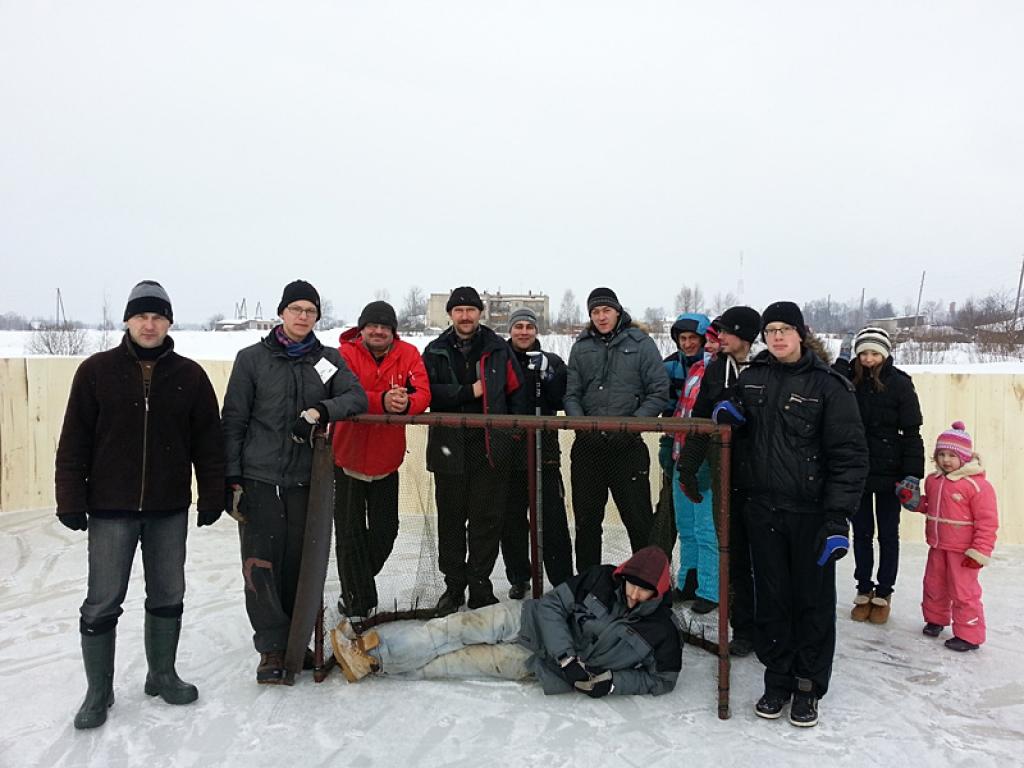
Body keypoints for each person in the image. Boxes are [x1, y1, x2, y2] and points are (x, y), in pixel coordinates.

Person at [55, 280, 225, 729]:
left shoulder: (189, 376)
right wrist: (70, 498)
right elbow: (73, 442)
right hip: (110, 508)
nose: (150, 325)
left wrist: (212, 494)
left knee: (169, 593)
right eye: (141, 316)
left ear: (169, 321)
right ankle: (99, 690)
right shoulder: (95, 371)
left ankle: (162, 674)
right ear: (127, 321)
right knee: (102, 599)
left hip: (168, 509)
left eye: (158, 317)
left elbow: (209, 442)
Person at [727, 301, 867, 727]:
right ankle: (778, 678)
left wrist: (837, 519)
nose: (777, 337)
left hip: (809, 516)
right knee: (771, 600)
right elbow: (725, 412)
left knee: (812, 603)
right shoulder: (751, 378)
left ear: (801, 333)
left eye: (785, 329)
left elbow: (849, 456)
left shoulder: (830, 386)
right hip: (761, 510)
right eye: (770, 330)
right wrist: (722, 412)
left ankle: (808, 685)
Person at [222, 279, 367, 684]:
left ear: (317, 316)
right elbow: (233, 420)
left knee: (300, 563)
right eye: (296, 309)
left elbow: (356, 398)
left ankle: (295, 643)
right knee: (262, 564)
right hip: (260, 476)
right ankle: (272, 647)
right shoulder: (251, 359)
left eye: (310, 311)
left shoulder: (328, 360)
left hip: (307, 480)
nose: (303, 317)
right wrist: (231, 479)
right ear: (282, 313)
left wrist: (321, 409)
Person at [330, 546, 681, 697]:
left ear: (660, 592)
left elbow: (662, 680)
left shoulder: (662, 632)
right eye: (633, 584)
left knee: (453, 664)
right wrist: (567, 656)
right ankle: (372, 656)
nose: (634, 594)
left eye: (645, 592)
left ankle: (374, 665)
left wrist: (614, 683)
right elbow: (550, 606)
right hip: (527, 621)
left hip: (539, 665)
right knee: (453, 628)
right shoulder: (602, 578)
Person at [422, 286, 525, 614]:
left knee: (487, 519)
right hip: (448, 445)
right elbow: (427, 393)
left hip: (490, 446)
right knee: (451, 520)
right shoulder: (435, 350)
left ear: (479, 313)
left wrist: (513, 434)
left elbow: (515, 392)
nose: (465, 316)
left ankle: (480, 585)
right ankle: (453, 587)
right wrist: (469, 391)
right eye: (458, 310)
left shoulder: (497, 349)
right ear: (450, 314)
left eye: (471, 310)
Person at [332, 300, 431, 618]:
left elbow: (423, 392)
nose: (378, 331)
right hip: (346, 458)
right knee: (349, 534)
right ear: (361, 330)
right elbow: (338, 392)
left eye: (384, 327)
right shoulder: (343, 355)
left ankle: (358, 586)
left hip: (387, 462)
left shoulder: (409, 354)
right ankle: (356, 600)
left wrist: (407, 403)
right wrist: (381, 401)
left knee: (385, 531)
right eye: (372, 326)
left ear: (393, 331)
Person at [674, 305, 761, 655]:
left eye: (724, 332)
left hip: (763, 476)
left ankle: (773, 627)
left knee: (763, 559)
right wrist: (689, 466)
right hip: (728, 473)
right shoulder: (715, 369)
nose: (718, 338)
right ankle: (743, 628)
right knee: (736, 554)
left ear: (743, 335)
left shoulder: (765, 368)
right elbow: (698, 421)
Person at [564, 287, 669, 572]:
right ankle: (588, 585)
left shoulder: (641, 343)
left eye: (606, 310)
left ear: (618, 311)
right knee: (587, 523)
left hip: (627, 447)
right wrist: (583, 427)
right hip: (588, 447)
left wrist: (630, 427)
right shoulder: (581, 346)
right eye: (595, 312)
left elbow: (658, 391)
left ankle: (648, 586)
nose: (601, 316)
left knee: (639, 521)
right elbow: (571, 393)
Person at [833, 326, 924, 624]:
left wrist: (912, 474)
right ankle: (863, 588)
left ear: (885, 354)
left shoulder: (900, 384)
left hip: (891, 473)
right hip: (858, 471)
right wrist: (842, 361)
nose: (869, 359)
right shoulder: (850, 381)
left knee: (888, 534)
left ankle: (884, 591)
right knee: (861, 533)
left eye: (874, 353)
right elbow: (829, 386)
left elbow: (912, 432)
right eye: (864, 353)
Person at [897, 422, 998, 652]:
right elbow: (929, 506)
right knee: (934, 585)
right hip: (938, 546)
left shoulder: (977, 485)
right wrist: (912, 501)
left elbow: (987, 522)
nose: (945, 460)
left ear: (963, 456)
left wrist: (979, 552)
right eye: (941, 454)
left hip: (963, 551)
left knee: (964, 592)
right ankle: (935, 619)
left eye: (951, 455)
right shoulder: (934, 480)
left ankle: (970, 635)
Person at [500, 306, 573, 598]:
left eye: (529, 327)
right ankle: (519, 576)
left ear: (536, 331)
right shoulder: (499, 359)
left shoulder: (552, 361)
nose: (523, 332)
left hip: (544, 450)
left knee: (551, 517)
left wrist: (549, 375)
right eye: (518, 327)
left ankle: (562, 580)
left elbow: (561, 398)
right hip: (509, 449)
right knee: (512, 518)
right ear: (510, 330)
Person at [666, 314, 719, 615]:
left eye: (707, 339)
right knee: (685, 526)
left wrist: (704, 459)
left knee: (705, 528)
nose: (690, 344)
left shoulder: (722, 371)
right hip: (680, 455)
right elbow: (680, 411)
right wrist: (668, 445)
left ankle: (710, 589)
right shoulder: (696, 369)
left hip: (705, 461)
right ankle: (689, 579)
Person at [650, 313, 712, 569]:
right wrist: (667, 444)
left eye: (693, 338)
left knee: (705, 520)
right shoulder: (670, 366)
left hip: (708, 451)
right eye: (682, 339)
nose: (687, 344)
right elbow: (667, 406)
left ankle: (708, 578)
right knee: (670, 512)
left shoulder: (716, 366)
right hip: (677, 448)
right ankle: (658, 571)